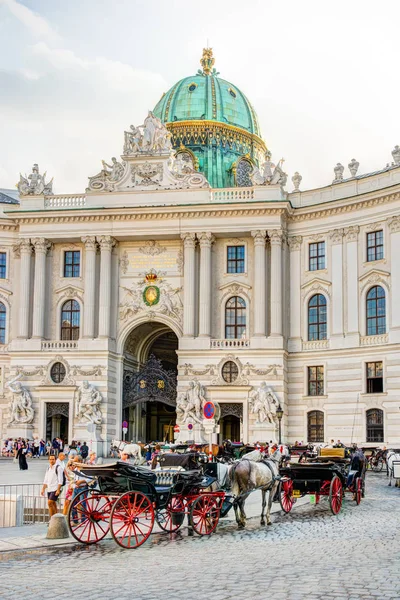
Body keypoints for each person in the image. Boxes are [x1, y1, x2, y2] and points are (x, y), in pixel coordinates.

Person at [41, 455, 64, 519]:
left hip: (55, 488)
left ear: (55, 460)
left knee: (50, 502)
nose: (51, 460)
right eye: (50, 459)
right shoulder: (48, 468)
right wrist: (43, 489)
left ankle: (52, 519)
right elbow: (46, 479)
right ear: (48, 460)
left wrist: (58, 490)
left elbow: (60, 480)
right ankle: (56, 518)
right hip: (49, 488)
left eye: (53, 459)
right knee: (53, 503)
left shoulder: (58, 468)